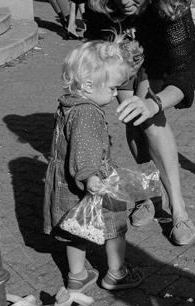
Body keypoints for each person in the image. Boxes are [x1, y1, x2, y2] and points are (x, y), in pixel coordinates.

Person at [85, 0, 195, 246]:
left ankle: (178, 209)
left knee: (150, 119)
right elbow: (94, 43)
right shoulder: (99, 5)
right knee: (132, 119)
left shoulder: (171, 7)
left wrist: (152, 104)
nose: (125, 1)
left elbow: (183, 77)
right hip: (122, 57)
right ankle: (149, 193)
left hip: (160, 61)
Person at [43, 40, 144, 292]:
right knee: (115, 227)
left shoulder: (69, 104)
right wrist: (90, 177)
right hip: (94, 181)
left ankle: (77, 275)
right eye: (112, 88)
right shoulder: (88, 113)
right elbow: (85, 152)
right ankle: (116, 273)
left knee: (76, 227)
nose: (114, 93)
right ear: (89, 86)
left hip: (66, 181)